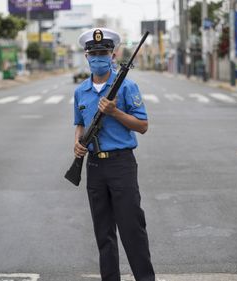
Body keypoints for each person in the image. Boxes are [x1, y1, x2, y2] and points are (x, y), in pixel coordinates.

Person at [72, 28, 155, 281]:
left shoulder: (127, 86)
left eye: (103, 52)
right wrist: (77, 143)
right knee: (103, 234)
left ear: (113, 54)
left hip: (121, 166)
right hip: (95, 167)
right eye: (94, 53)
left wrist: (115, 112)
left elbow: (143, 126)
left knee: (132, 230)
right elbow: (80, 124)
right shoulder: (81, 91)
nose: (98, 57)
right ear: (86, 56)